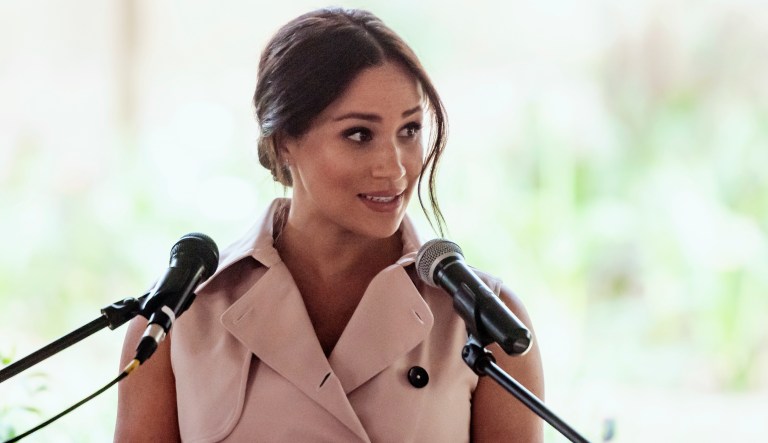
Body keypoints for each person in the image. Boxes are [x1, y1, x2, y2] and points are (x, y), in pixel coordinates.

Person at [114, 7, 544, 442]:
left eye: (410, 130)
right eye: (359, 134)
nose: (394, 169)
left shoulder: (489, 325)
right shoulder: (176, 322)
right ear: (284, 143)